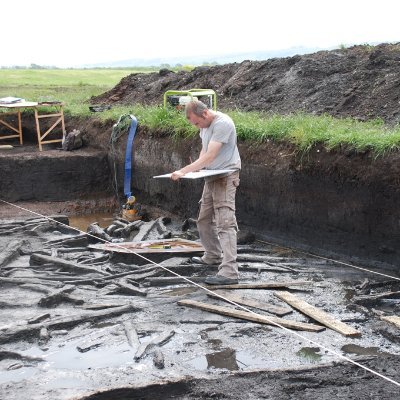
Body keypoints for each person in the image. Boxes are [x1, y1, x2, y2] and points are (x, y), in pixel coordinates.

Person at [171, 100, 241, 285]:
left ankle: (229, 272)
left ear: (205, 114)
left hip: (225, 176)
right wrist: (198, 168)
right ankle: (213, 255)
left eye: (196, 123)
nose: (196, 127)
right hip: (211, 176)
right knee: (204, 219)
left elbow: (211, 155)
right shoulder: (205, 126)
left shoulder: (223, 123)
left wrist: (184, 170)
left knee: (225, 223)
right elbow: (205, 152)